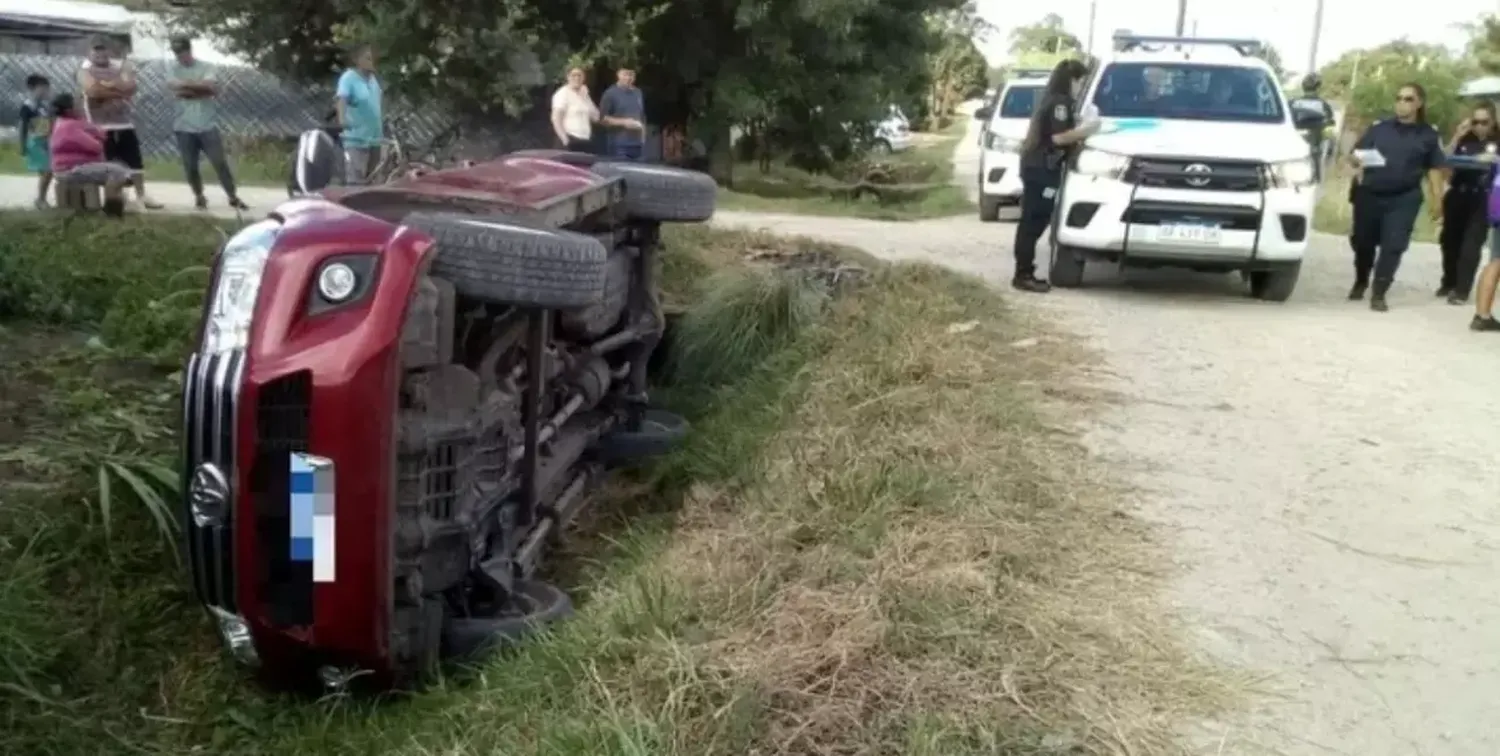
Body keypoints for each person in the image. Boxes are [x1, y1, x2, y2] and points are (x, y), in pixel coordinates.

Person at [1344, 83, 1446, 312]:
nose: (1402, 103)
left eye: (1408, 99)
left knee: (1394, 245)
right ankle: (1361, 279)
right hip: (1370, 194)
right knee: (1363, 243)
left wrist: (1437, 199)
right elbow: (1354, 154)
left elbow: (1434, 169)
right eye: (1399, 98)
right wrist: (1356, 161)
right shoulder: (1379, 129)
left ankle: (1379, 292)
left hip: (1404, 198)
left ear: (1419, 103)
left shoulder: (1428, 135)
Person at [1011, 58, 1097, 294]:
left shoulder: (1052, 99)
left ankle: (1024, 271)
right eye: (1080, 82)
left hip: (1037, 166)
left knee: (1033, 219)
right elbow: (1058, 138)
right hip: (1042, 169)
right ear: (1073, 80)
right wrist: (1087, 130)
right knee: (1034, 220)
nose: (1081, 87)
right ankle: (1023, 274)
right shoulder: (1061, 103)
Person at [78, 37, 161, 209]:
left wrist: (107, 88)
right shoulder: (85, 70)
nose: (100, 54)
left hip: (124, 124)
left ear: (109, 52)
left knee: (135, 162)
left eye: (103, 50)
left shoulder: (119, 68)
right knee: (111, 164)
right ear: (90, 53)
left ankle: (142, 196)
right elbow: (92, 91)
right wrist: (117, 90)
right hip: (101, 127)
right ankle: (120, 197)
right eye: (96, 50)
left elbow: (130, 87)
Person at [168, 37, 249, 212]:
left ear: (189, 50)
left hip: (207, 125)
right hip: (183, 126)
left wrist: (188, 88)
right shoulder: (172, 68)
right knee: (190, 166)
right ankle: (199, 196)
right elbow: (175, 88)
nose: (181, 57)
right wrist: (200, 89)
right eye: (177, 54)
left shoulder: (206, 67)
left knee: (219, 162)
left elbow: (211, 87)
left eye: (183, 52)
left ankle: (232, 196)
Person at [1437, 102, 1499, 304]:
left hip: (1483, 196)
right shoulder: (1465, 138)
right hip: (1458, 193)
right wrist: (1457, 134)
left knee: (1471, 244)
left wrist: (1493, 157)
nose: (1479, 126)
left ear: (1493, 121)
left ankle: (1462, 290)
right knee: (1449, 241)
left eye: (1484, 122)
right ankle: (1449, 281)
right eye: (1475, 121)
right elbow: (1443, 159)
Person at [48, 93, 131, 218]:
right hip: (70, 170)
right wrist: (97, 138)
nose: (82, 106)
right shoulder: (69, 126)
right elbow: (95, 147)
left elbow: (99, 132)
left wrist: (96, 134)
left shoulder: (67, 122)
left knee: (118, 170)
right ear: (69, 110)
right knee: (117, 171)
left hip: (73, 167)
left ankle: (113, 207)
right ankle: (112, 213)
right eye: (78, 104)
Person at [335, 45, 383, 184]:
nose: (372, 61)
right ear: (358, 60)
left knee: (373, 180)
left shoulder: (373, 80)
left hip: (374, 138)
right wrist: (342, 120)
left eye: (373, 58)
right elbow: (341, 99)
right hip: (356, 138)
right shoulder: (349, 78)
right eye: (368, 58)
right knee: (355, 180)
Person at [17, 74, 53, 210]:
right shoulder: (27, 106)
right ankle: (41, 199)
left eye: (46, 89)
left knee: (48, 171)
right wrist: (22, 145)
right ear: (32, 88)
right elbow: (22, 126)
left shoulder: (45, 106)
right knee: (47, 170)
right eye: (42, 88)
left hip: (46, 141)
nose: (45, 92)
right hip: (35, 142)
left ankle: (41, 198)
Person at [598, 65, 646, 161]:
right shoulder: (610, 93)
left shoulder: (638, 92)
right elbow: (602, 118)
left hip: (637, 144)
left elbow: (642, 115)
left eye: (631, 75)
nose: (628, 78)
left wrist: (643, 137)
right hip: (619, 144)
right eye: (625, 74)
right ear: (618, 74)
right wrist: (624, 122)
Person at [551, 67, 599, 152]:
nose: (577, 78)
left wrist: (585, 97)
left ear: (584, 78)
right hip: (569, 139)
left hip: (584, 140)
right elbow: (556, 119)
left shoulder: (585, 95)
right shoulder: (562, 94)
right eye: (573, 75)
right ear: (568, 77)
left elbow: (596, 118)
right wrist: (564, 139)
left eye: (579, 75)